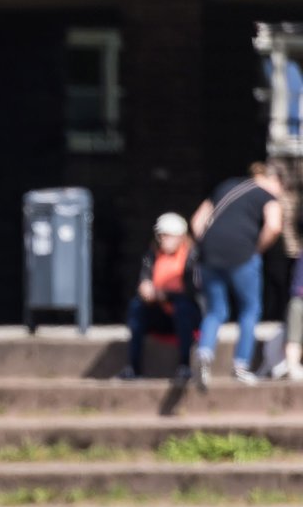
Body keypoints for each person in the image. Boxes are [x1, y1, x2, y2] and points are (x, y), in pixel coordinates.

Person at [192, 162, 284, 386]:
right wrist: (256, 250)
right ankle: (241, 365)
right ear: (275, 181)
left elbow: (197, 222)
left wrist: (207, 246)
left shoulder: (227, 186)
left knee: (215, 310)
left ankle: (205, 351)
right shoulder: (268, 196)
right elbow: (274, 227)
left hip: (209, 254)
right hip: (242, 254)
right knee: (250, 309)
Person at [121, 213, 202, 382]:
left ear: (180, 237)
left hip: (184, 312)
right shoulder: (151, 255)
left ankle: (184, 365)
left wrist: (165, 295)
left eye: (168, 236)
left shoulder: (192, 256)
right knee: (136, 307)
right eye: (161, 236)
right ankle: (133, 368)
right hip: (159, 312)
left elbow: (193, 291)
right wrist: (145, 288)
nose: (163, 240)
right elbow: (145, 278)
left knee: (183, 308)